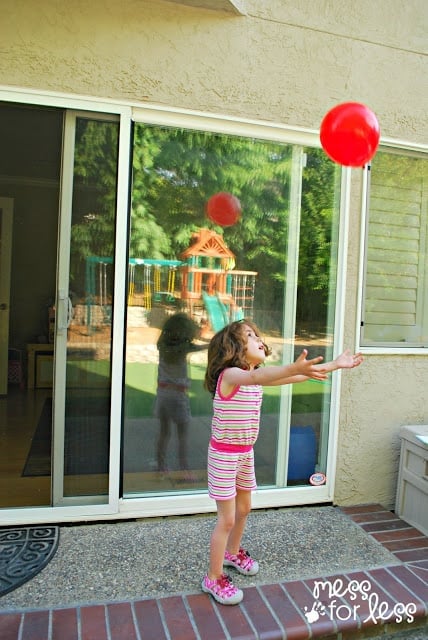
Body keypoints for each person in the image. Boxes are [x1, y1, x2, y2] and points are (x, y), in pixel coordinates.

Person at [201, 319, 363, 605]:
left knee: (245, 508)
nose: (259, 339)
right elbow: (258, 378)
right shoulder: (231, 375)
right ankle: (213, 578)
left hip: (244, 453)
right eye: (250, 336)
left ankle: (232, 552)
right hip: (224, 455)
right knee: (226, 518)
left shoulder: (257, 375)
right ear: (234, 347)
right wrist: (293, 368)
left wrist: (336, 364)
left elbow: (299, 376)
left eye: (258, 334)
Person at [155, 312, 208, 480]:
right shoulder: (184, 347)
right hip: (178, 396)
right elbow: (202, 345)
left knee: (164, 433)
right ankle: (184, 469)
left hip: (162, 394)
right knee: (182, 436)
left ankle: (161, 466)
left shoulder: (162, 344)